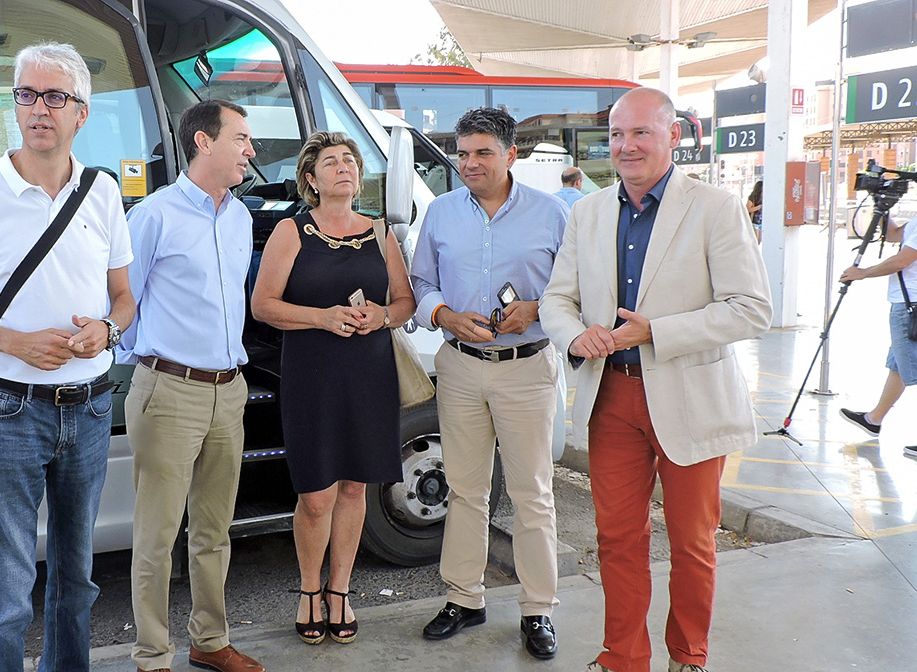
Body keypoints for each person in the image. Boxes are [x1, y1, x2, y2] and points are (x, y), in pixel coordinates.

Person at [539, 87, 773, 672]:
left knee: (693, 544)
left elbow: (751, 308)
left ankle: (688, 657)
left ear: (674, 136)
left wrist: (656, 332)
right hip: (610, 397)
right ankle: (623, 656)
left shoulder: (714, 207)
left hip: (690, 396)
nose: (626, 145)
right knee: (618, 540)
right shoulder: (588, 211)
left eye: (641, 133)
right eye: (617, 134)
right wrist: (573, 335)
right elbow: (556, 298)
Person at [0, 42, 134, 672]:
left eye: (54, 96)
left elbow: (125, 298)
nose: (37, 109)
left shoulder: (104, 192)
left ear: (82, 111)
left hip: (91, 405)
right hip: (5, 409)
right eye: (25, 94)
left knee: (76, 580)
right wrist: (15, 343)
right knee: (7, 593)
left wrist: (106, 331)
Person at [410, 107, 568, 660]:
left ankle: (538, 609)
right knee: (465, 489)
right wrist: (445, 317)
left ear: (510, 156)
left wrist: (537, 309)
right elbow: (421, 283)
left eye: (482, 153)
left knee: (532, 494)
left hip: (527, 366)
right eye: (463, 153)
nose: (469, 163)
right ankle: (464, 597)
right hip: (459, 366)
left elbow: (575, 292)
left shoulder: (552, 215)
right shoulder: (440, 214)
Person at [250, 131, 416, 646]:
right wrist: (322, 318)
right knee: (317, 494)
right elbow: (263, 306)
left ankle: (340, 590)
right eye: (331, 161)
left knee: (355, 487)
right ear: (311, 179)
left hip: (368, 372)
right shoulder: (291, 230)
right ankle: (308, 589)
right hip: (312, 374)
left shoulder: (380, 231)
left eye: (350, 160)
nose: (344, 167)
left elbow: (406, 302)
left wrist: (381, 315)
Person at [120, 100, 264, 672]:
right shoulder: (152, 216)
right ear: (204, 142)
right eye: (242, 138)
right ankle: (152, 657)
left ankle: (210, 641)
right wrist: (146, 365)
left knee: (214, 532)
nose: (251, 150)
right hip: (170, 391)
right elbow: (121, 305)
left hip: (230, 391)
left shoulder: (239, 215)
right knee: (156, 538)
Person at [838, 216, 917, 459]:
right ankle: (873, 419)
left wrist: (863, 273)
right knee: (898, 366)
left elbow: (903, 260)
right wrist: (882, 208)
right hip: (906, 302)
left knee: (911, 368)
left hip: (910, 305)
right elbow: (894, 234)